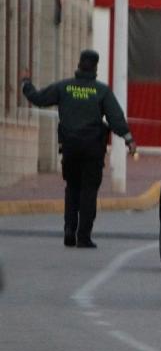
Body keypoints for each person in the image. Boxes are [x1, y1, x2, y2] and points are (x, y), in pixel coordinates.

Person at [21, 50, 137, 248]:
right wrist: (129, 140)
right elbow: (115, 118)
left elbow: (39, 98)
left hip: (70, 148)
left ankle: (69, 230)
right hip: (93, 150)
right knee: (89, 192)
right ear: (95, 67)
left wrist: (26, 84)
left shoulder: (64, 87)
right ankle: (83, 236)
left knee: (72, 189)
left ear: (79, 64)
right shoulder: (101, 91)